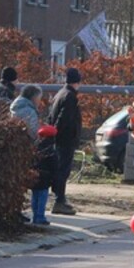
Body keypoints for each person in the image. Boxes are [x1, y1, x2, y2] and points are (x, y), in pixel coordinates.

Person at [48, 67, 83, 215]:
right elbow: (64, 119)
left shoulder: (60, 94)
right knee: (63, 170)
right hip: (66, 139)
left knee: (60, 169)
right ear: (77, 82)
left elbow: (52, 117)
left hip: (59, 139)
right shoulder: (70, 97)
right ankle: (59, 200)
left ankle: (60, 199)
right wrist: (59, 132)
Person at [31, 125, 59, 225]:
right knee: (42, 198)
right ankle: (40, 217)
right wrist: (54, 178)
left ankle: (34, 216)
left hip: (34, 176)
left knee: (34, 197)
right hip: (45, 178)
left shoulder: (35, 147)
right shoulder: (51, 150)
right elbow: (54, 166)